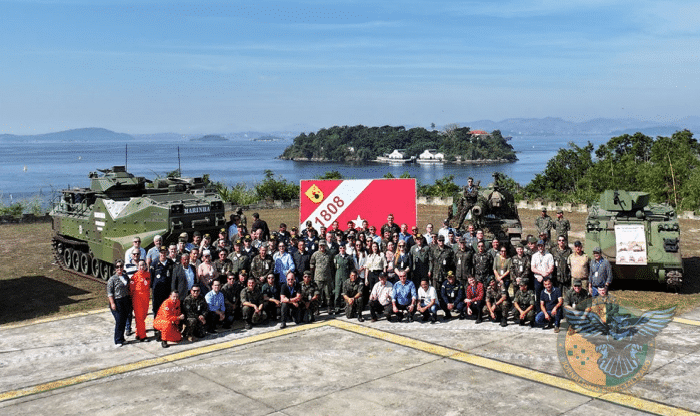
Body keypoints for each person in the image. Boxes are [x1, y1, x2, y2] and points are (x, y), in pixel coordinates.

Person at [107, 260, 131, 347]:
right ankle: (117, 340)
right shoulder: (112, 279)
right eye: (117, 267)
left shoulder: (125, 277)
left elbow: (128, 287)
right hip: (117, 301)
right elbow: (110, 293)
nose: (119, 268)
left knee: (124, 320)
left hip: (125, 300)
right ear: (115, 269)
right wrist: (112, 303)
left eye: (121, 266)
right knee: (119, 320)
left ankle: (122, 338)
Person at [129, 259, 151, 341]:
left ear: (145, 266)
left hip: (146, 299)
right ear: (138, 266)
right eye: (140, 265)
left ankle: (137, 333)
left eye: (143, 265)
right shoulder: (134, 276)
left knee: (143, 316)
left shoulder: (148, 275)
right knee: (140, 318)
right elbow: (131, 290)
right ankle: (142, 336)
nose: (142, 267)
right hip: (137, 299)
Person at [310, 240, 334, 314]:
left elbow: (332, 265)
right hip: (318, 278)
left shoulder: (329, 254)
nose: (322, 247)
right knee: (317, 294)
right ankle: (316, 309)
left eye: (323, 245)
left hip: (327, 277)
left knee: (328, 294)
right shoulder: (315, 254)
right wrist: (313, 274)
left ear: (325, 246)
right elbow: (312, 265)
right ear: (318, 246)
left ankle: (329, 308)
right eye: (320, 245)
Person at [150, 247, 174, 321]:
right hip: (157, 290)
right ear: (159, 253)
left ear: (167, 252)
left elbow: (173, 276)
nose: (163, 254)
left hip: (167, 290)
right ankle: (156, 326)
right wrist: (151, 290)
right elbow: (151, 277)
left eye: (164, 252)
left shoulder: (170, 262)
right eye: (161, 252)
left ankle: (166, 325)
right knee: (156, 308)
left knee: (167, 308)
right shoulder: (154, 263)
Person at [530, 240, 554, 304]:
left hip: (547, 278)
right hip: (538, 278)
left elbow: (551, 268)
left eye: (541, 246)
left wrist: (544, 275)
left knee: (547, 295)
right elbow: (533, 268)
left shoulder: (549, 255)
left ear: (544, 246)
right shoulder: (534, 256)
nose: (540, 247)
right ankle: (539, 312)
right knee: (538, 297)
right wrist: (541, 273)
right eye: (539, 246)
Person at [333, 243, 353, 314]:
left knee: (346, 292)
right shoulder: (336, 257)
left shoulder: (348, 257)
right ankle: (337, 307)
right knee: (337, 292)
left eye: (343, 248)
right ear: (339, 249)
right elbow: (334, 267)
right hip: (338, 277)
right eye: (341, 248)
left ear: (345, 249)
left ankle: (347, 307)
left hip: (346, 277)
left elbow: (351, 268)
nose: (342, 249)